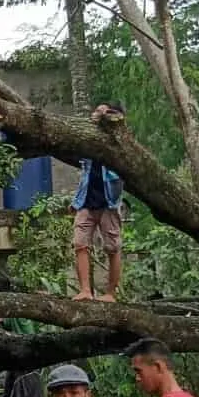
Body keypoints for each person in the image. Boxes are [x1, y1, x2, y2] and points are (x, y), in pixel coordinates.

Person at [73, 103, 125, 302]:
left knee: (112, 247)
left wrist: (108, 115)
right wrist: (75, 200)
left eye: (104, 111)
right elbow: (84, 174)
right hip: (86, 201)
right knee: (80, 243)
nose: (99, 114)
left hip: (109, 202)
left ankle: (110, 293)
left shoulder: (116, 140)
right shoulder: (88, 139)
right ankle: (86, 290)